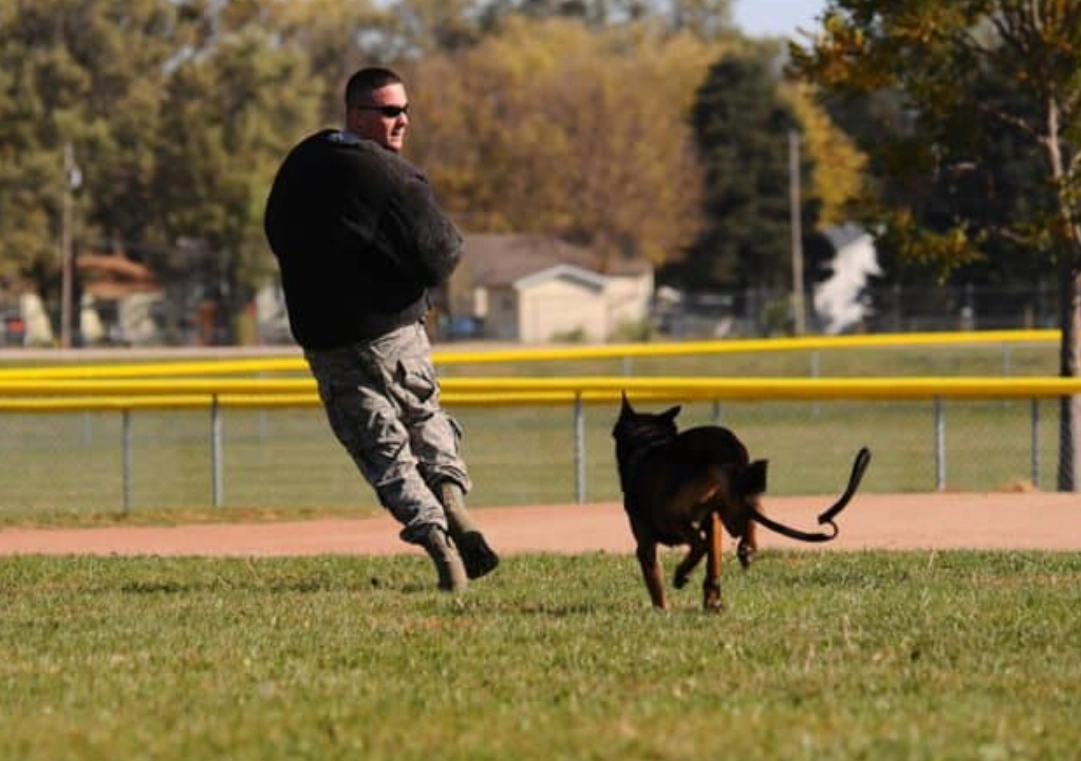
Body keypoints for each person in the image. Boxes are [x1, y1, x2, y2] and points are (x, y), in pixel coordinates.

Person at [263, 66, 498, 592]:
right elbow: (442, 256)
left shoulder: (302, 162)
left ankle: (441, 547)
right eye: (391, 112)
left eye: (406, 110)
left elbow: (276, 231)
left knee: (381, 449)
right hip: (394, 332)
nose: (403, 121)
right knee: (423, 415)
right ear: (359, 115)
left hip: (326, 337)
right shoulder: (395, 178)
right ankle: (453, 504)